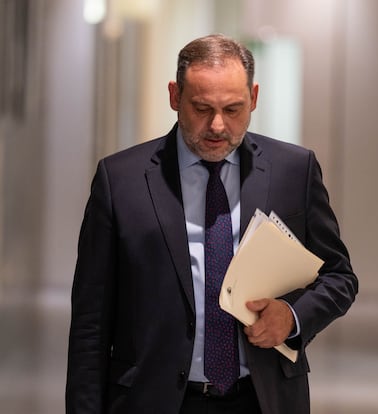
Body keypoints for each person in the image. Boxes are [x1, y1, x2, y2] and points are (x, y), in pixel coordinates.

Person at [65, 34, 358, 414]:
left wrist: (292, 317)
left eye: (234, 109)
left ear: (254, 97)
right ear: (175, 96)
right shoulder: (120, 180)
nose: (217, 125)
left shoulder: (294, 171)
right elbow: (91, 320)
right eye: (201, 108)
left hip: (262, 399)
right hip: (154, 400)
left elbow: (340, 277)